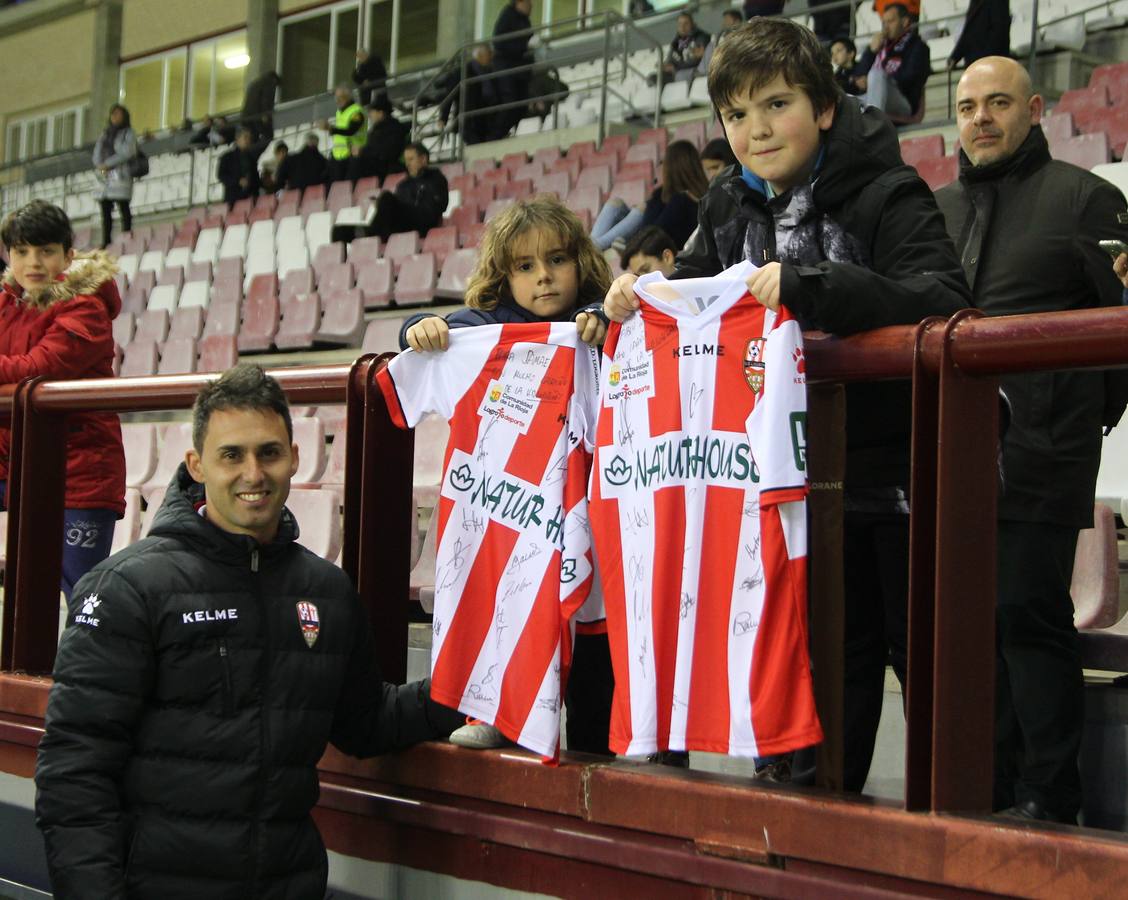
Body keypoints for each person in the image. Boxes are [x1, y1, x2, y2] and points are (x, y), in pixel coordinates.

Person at [602, 18, 970, 788]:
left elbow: (944, 300)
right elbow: (689, 303)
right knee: (806, 655)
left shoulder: (889, 192)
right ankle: (805, 821)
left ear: (826, 108)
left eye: (776, 105)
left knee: (921, 657)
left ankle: (950, 838)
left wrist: (819, 291)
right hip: (772, 491)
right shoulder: (726, 205)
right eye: (737, 115)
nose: (756, 130)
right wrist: (635, 300)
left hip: (895, 477)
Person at [34, 362, 464, 900]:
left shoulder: (326, 591)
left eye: (269, 452)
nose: (253, 474)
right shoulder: (127, 587)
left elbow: (365, 723)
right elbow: (74, 773)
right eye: (231, 455)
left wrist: (466, 691)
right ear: (196, 464)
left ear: (295, 457)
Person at [934, 56, 1128, 825]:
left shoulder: (1087, 199)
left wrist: (1069, 420)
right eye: (968, 105)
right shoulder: (935, 209)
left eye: (999, 103)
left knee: (1025, 612)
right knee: (965, 625)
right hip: (950, 452)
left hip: (1045, 453)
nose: (981, 117)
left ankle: (1051, 798)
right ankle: (991, 790)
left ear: (1037, 107)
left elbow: (1119, 343)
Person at [397, 197, 613, 756]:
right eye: (524, 266)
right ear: (503, 274)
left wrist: (609, 324)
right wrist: (416, 329)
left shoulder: (597, 321)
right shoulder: (483, 331)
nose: (544, 276)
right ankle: (500, 712)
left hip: (595, 501)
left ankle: (599, 744)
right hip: (516, 511)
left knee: (596, 618)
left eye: (557, 260)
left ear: (579, 263)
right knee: (512, 601)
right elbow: (427, 336)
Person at [0, 201, 125, 598]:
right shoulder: (7, 304)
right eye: (21, 251)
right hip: (13, 466)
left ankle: (88, 663)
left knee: (84, 597)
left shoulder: (86, 307)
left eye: (45, 251)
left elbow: (40, 366)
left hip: (80, 471)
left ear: (68, 255)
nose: (33, 262)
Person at [590, 139, 708, 251]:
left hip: (651, 244)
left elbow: (655, 231)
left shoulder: (682, 200)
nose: (661, 168)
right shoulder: (665, 194)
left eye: (663, 163)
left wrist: (644, 208)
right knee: (615, 203)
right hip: (646, 236)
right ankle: (591, 245)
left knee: (641, 208)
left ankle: (592, 247)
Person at [857, 3, 931, 120]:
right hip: (874, 97)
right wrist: (871, 51)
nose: (885, 27)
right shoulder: (880, 45)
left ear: (905, 22)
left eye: (890, 21)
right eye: (884, 22)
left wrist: (883, 80)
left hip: (903, 101)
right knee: (844, 98)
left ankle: (874, 126)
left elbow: (910, 78)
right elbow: (858, 73)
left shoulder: (918, 46)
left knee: (876, 74)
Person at [366, 142, 448, 240]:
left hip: (423, 224)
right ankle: (368, 236)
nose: (407, 164)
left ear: (423, 159)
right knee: (343, 231)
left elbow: (436, 209)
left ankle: (369, 236)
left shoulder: (436, 179)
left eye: (411, 159)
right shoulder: (403, 184)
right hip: (402, 224)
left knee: (386, 198)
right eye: (406, 160)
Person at [92, 104, 137, 248]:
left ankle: (126, 234)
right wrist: (100, 165)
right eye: (113, 114)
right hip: (105, 177)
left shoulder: (128, 133)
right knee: (105, 208)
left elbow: (127, 152)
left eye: (118, 114)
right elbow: (97, 152)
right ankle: (106, 240)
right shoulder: (104, 134)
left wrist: (109, 164)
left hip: (120, 174)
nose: (115, 117)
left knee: (123, 205)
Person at [438, 44, 500, 145]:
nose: (491, 57)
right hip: (468, 120)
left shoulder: (489, 71)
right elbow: (449, 95)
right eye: (489, 54)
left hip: (484, 118)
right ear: (480, 56)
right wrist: (443, 118)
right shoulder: (462, 72)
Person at [492, 0, 535, 139]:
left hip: (521, 70)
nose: (532, 5)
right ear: (520, 2)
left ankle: (503, 133)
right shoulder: (507, 16)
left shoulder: (525, 20)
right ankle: (495, 135)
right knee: (510, 102)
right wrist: (525, 46)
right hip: (507, 69)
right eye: (529, 2)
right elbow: (499, 42)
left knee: (521, 105)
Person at [350, 93, 409, 182]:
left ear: (381, 113)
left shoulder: (394, 129)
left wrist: (362, 151)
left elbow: (387, 152)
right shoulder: (376, 130)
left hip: (385, 168)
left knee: (355, 165)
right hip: (375, 166)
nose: (370, 115)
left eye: (372, 112)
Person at [320, 84, 367, 183]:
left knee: (348, 188)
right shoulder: (339, 112)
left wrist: (331, 129)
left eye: (339, 97)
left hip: (352, 155)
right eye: (336, 97)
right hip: (338, 157)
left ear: (346, 97)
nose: (336, 100)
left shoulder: (356, 111)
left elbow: (351, 130)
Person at [948, 0, 1011, 70]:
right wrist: (955, 56)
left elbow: (999, 33)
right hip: (979, 64)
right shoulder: (975, 2)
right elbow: (969, 32)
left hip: (990, 65)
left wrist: (984, 60)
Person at [217, 127, 265, 209]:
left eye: (249, 138)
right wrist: (238, 181)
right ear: (237, 139)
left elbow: (255, 177)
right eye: (245, 137)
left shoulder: (251, 158)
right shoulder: (226, 157)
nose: (248, 140)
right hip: (233, 198)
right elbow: (221, 176)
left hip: (251, 198)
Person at [660, 12, 710, 84]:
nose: (682, 27)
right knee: (653, 78)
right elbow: (671, 60)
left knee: (680, 75)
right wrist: (666, 66)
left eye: (686, 24)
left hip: (695, 72)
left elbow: (695, 60)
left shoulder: (701, 37)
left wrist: (675, 68)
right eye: (680, 24)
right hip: (678, 73)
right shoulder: (676, 42)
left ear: (693, 24)